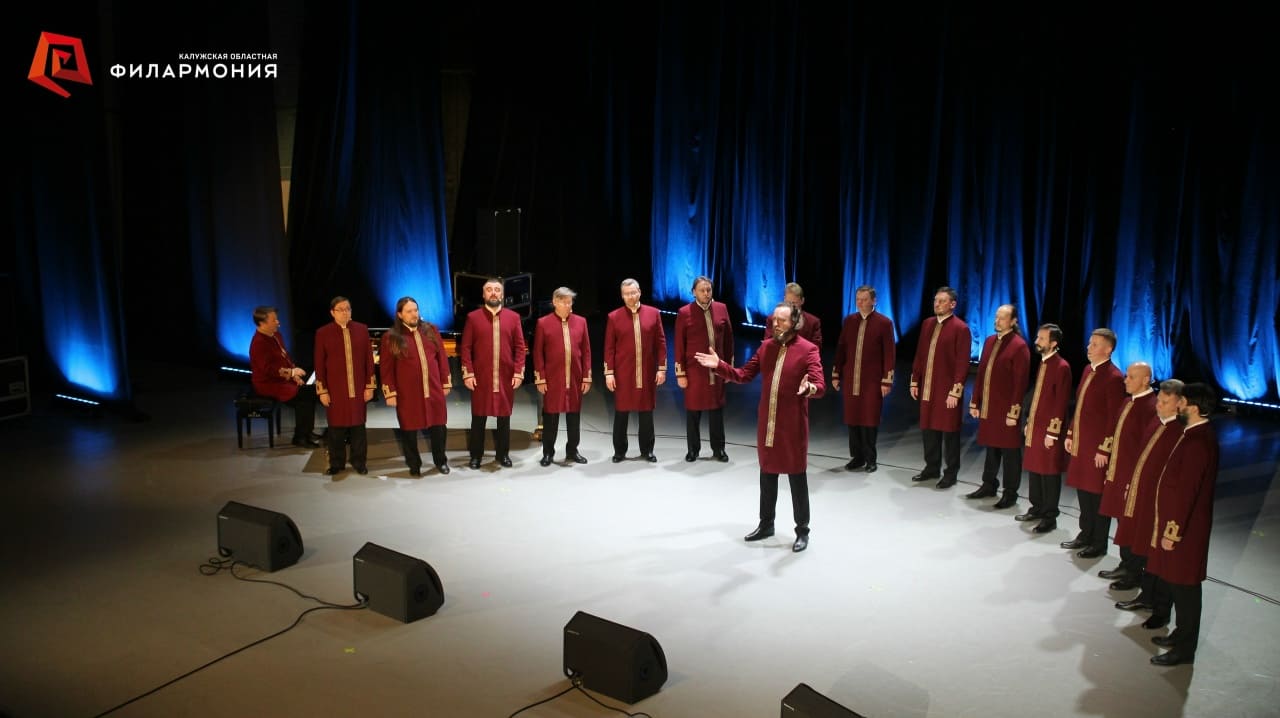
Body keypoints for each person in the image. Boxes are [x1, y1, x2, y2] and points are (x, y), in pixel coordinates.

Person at [695, 302, 824, 552]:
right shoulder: (766, 347)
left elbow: (820, 385)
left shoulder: (808, 350)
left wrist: (810, 388)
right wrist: (719, 365)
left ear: (795, 323)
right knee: (767, 475)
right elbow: (743, 375)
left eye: (782, 320)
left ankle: (802, 530)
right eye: (774, 320)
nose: (776, 324)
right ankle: (766, 524)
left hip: (793, 427)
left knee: (797, 478)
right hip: (768, 424)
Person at [1146, 382, 1219, 667]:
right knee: (1176, 583)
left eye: (1183, 401)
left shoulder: (1198, 442)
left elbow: (1187, 491)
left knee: (1185, 588)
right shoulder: (1192, 435)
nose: (1178, 405)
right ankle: (1180, 634)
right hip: (1180, 527)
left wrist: (1172, 531)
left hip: (1186, 531)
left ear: (1194, 408)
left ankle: (1185, 649)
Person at [1113, 379, 1184, 618]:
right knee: (1142, 545)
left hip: (1159, 505)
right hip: (1143, 497)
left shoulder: (1178, 432)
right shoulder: (1157, 422)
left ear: (1179, 404)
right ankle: (1145, 594)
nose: (1158, 405)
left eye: (1165, 402)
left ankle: (1156, 604)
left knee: (1156, 554)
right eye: (1159, 400)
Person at [1061, 328, 1127, 558]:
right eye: (1090, 343)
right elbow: (1079, 406)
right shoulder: (1088, 370)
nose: (1089, 348)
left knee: (1097, 495)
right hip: (1082, 442)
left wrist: (1104, 449)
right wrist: (1071, 433)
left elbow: (1113, 418)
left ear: (1108, 349)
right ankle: (1085, 533)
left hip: (1097, 447)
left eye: (1095, 344)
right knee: (1083, 491)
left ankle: (1099, 542)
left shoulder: (1114, 377)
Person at [1095, 362, 1157, 587]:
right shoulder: (1127, 401)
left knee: (1132, 524)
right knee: (1121, 520)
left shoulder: (1150, 407)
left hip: (1132, 476)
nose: (1126, 380)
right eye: (1126, 376)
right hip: (1118, 471)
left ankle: (1135, 571)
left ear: (1146, 380)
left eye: (1131, 377)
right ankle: (1126, 563)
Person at [965, 305, 1030, 508]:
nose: (997, 321)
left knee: (1010, 452)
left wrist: (1014, 411)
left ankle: (1010, 492)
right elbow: (981, 373)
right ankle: (989, 484)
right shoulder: (990, 341)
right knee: (991, 447)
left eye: (1002, 318)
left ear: (1013, 321)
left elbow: (1020, 382)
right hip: (989, 406)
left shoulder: (1019, 346)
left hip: (1006, 409)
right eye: (996, 317)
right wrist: (975, 401)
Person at [380, 297, 452, 476]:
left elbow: (442, 359)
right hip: (408, 393)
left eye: (415, 310)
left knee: (439, 427)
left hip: (433, 389)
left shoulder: (431, 330)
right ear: (400, 314)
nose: (414, 314)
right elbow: (386, 369)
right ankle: (414, 464)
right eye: (409, 311)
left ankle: (441, 461)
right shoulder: (391, 337)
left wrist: (445, 381)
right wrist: (390, 393)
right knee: (409, 430)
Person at [460, 278, 527, 469]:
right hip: (481, 377)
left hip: (505, 376)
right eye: (489, 289)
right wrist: (468, 373)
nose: (493, 293)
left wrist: (518, 372)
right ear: (483, 295)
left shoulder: (513, 317)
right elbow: (466, 348)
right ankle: (476, 456)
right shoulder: (473, 318)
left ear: (503, 295)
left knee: (504, 418)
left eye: (497, 290)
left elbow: (520, 348)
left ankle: (503, 454)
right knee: (478, 418)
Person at [909, 287, 971, 488]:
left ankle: (951, 473)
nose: (937, 304)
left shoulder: (961, 328)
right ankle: (931, 467)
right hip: (928, 386)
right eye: (936, 300)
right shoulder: (927, 324)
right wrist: (915, 380)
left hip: (946, 389)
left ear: (953, 304)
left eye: (942, 301)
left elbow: (962, 363)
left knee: (949, 432)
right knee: (928, 428)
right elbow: (920, 354)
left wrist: (956, 391)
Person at [831, 285, 896, 472]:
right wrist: (836, 373)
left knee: (869, 419)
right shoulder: (850, 321)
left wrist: (887, 380)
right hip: (851, 378)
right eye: (858, 299)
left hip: (872, 381)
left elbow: (889, 353)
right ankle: (857, 457)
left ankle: (870, 459)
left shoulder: (884, 323)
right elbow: (841, 348)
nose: (860, 303)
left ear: (874, 300)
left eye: (864, 299)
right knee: (852, 419)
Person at [604, 278, 667, 462]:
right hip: (623, 373)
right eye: (627, 294)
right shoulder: (614, 317)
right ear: (622, 296)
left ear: (639, 292)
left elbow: (661, 343)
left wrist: (661, 369)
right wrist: (609, 373)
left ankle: (647, 450)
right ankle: (619, 451)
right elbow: (609, 348)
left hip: (646, 371)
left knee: (646, 412)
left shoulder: (653, 314)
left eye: (633, 292)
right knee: (621, 412)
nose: (630, 296)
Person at [1017, 324, 1072, 533]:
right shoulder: (1043, 363)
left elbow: (1060, 402)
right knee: (1034, 468)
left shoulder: (1061, 367)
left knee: (1049, 473)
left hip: (1049, 430)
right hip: (1036, 426)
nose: (1037, 341)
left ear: (1053, 343)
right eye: (1038, 337)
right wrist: (1029, 422)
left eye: (1042, 338)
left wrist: (1052, 432)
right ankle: (1036, 507)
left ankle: (1050, 516)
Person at [674, 276, 734, 462]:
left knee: (717, 411)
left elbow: (729, 340)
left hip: (717, 369)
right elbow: (679, 345)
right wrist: (681, 373)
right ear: (694, 292)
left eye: (709, 290)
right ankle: (693, 450)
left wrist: (728, 369)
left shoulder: (721, 308)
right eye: (702, 290)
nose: (706, 293)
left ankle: (719, 449)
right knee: (693, 411)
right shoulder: (684, 312)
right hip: (695, 372)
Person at [314, 297, 375, 475]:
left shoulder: (361, 329)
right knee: (336, 428)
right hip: (335, 389)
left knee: (358, 427)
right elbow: (319, 364)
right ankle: (336, 463)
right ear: (332, 312)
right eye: (340, 309)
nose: (345, 312)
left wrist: (370, 386)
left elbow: (369, 360)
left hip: (358, 387)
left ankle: (359, 461)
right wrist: (322, 391)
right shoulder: (323, 333)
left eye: (347, 309)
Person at [533, 287, 591, 466]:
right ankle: (548, 453)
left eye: (569, 301)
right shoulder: (543, 323)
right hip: (553, 378)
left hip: (575, 377)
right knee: (550, 416)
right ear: (555, 302)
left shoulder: (581, 322)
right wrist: (540, 378)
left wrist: (586, 377)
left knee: (574, 416)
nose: (567, 305)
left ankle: (572, 450)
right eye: (564, 301)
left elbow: (586, 351)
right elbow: (538, 353)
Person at [249, 305, 318, 448]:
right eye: (274, 320)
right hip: (268, 383)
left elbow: (285, 358)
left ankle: (307, 432)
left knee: (310, 392)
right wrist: (291, 373)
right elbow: (268, 370)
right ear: (262, 323)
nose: (278, 322)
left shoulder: (276, 335)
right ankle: (300, 437)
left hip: (281, 379)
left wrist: (294, 374)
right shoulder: (258, 343)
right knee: (305, 396)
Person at [762, 282, 822, 347]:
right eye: (788, 303)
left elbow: (816, 347)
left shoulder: (813, 322)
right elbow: (767, 344)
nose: (791, 307)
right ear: (784, 299)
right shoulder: (772, 319)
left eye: (794, 303)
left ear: (802, 301)